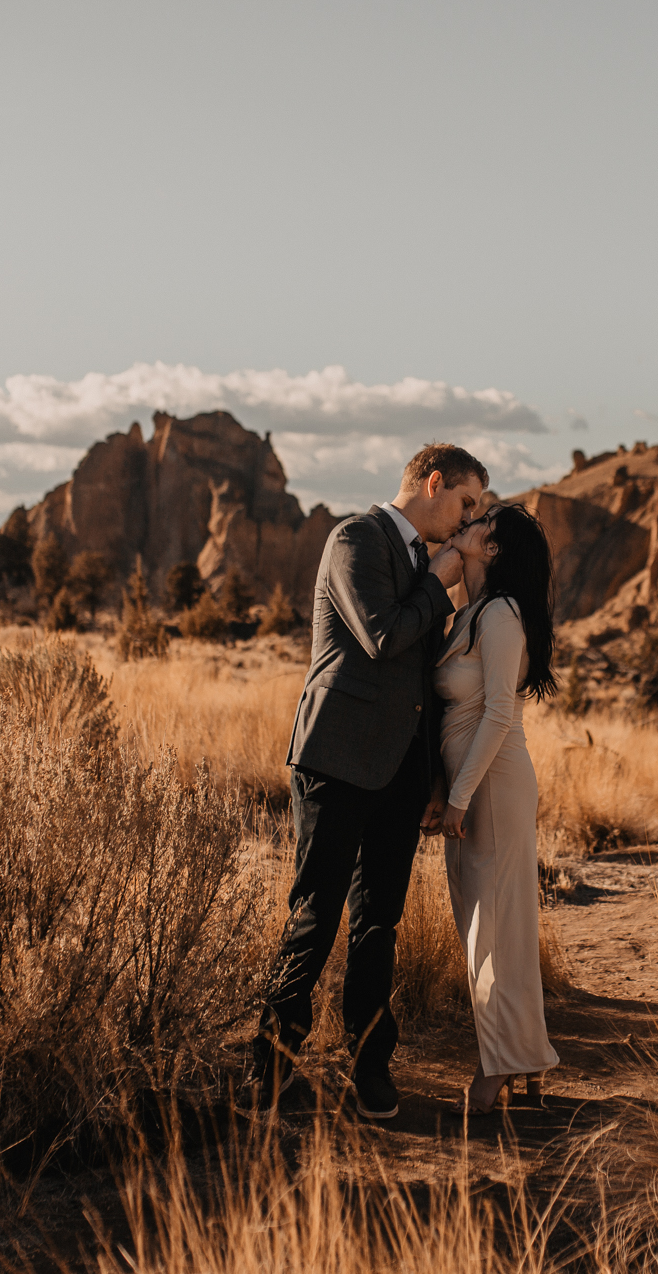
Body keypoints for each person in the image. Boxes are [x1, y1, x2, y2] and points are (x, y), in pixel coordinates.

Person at [251, 443, 489, 1119]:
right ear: (433, 482)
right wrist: (436, 584)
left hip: (399, 776)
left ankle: (368, 1069)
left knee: (378, 923)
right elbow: (381, 637)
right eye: (465, 502)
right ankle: (267, 1071)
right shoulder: (355, 537)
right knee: (315, 916)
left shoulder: (426, 562)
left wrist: (436, 781)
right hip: (335, 762)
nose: (468, 517)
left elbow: (425, 680)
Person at [427, 502, 561, 1114]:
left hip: (494, 785)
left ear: (496, 550)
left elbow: (499, 711)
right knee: (491, 923)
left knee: (497, 926)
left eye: (480, 525)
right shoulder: (469, 613)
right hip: (467, 787)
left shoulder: (501, 614)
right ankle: (526, 1060)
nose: (467, 524)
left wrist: (457, 799)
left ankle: (501, 1067)